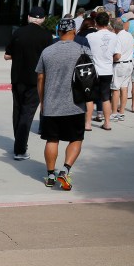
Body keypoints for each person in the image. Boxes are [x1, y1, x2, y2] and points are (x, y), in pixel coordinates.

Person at [35, 18, 86, 191]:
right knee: (76, 138)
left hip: (51, 104)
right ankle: (65, 170)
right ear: (74, 31)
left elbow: (40, 77)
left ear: (58, 32)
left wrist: (42, 101)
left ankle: (50, 175)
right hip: (75, 104)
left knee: (52, 139)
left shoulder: (47, 52)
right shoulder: (83, 50)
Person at [4, 6, 53, 160]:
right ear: (43, 19)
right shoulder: (46, 36)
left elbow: (7, 55)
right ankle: (20, 149)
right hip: (36, 79)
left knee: (17, 110)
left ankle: (19, 143)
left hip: (17, 78)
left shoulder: (18, 32)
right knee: (28, 112)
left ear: (28, 17)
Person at [86, 12, 119, 131]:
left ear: (96, 23)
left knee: (89, 97)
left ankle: (88, 124)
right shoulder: (115, 36)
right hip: (107, 70)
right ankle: (107, 123)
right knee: (106, 97)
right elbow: (117, 55)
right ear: (108, 22)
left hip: (93, 70)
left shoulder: (90, 37)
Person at [110, 17, 134, 122]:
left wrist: (110, 59)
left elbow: (118, 55)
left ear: (114, 27)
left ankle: (114, 113)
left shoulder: (117, 37)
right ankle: (122, 112)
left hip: (120, 64)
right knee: (124, 88)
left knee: (115, 90)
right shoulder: (129, 35)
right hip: (129, 63)